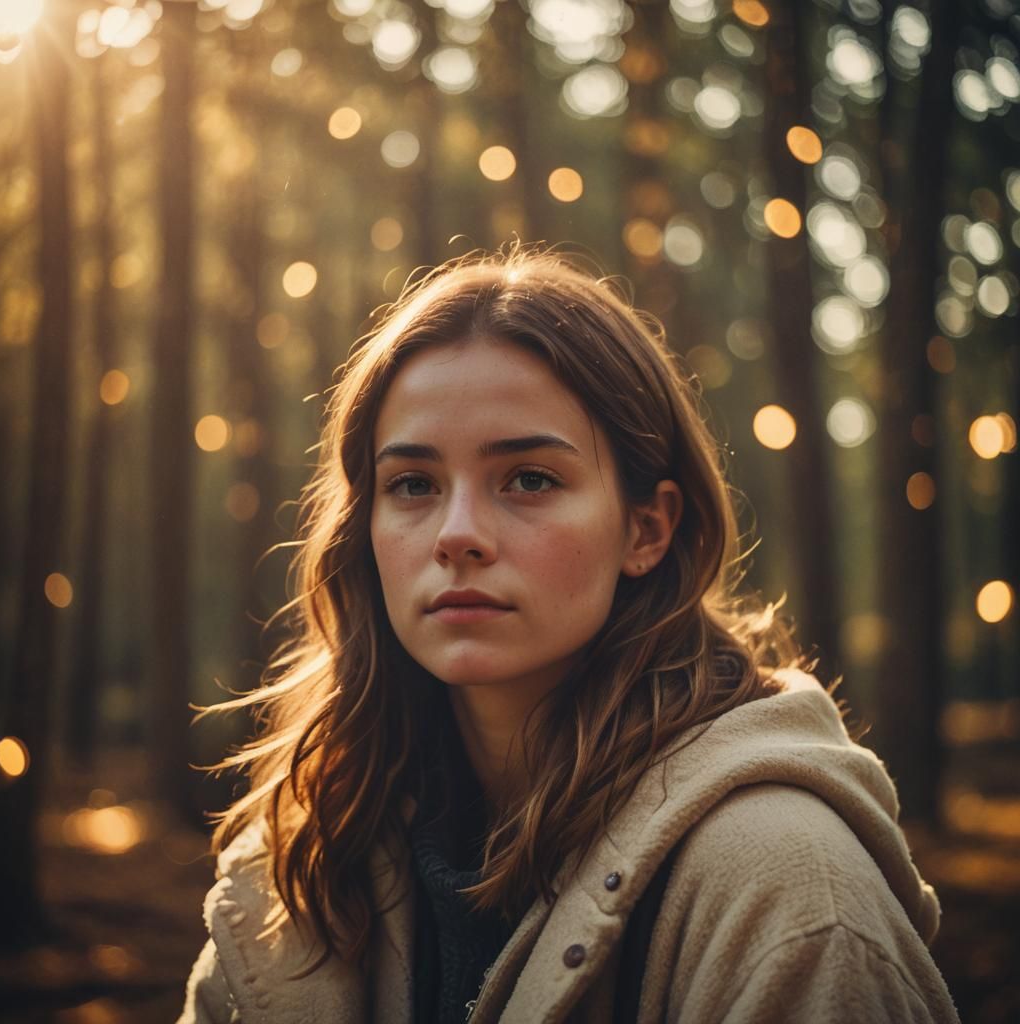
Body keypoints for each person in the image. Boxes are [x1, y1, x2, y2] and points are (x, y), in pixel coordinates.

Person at [178, 244, 959, 1023]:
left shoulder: (786, 885)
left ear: (646, 528)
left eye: (529, 479)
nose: (457, 535)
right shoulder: (304, 862)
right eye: (413, 484)